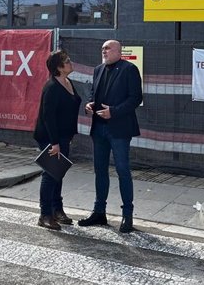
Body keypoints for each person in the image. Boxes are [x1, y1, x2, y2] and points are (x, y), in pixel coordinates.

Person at [78, 39, 142, 233]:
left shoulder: (129, 69)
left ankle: (127, 215)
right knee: (100, 170)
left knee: (123, 170)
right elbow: (94, 94)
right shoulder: (98, 69)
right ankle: (99, 212)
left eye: (107, 48)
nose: (104, 51)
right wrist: (90, 104)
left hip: (119, 129)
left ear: (118, 51)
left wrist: (113, 111)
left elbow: (136, 98)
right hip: (99, 128)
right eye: (102, 49)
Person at [33, 50, 81, 231]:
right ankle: (45, 214)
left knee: (58, 173)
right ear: (59, 68)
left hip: (63, 136)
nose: (70, 63)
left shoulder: (68, 82)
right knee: (51, 174)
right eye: (67, 61)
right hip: (50, 137)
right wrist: (55, 143)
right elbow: (48, 117)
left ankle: (57, 209)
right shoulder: (52, 87)